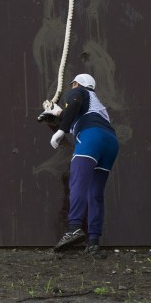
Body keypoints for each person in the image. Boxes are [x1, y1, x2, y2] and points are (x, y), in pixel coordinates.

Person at [46, 74, 119, 254]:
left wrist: (60, 131)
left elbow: (75, 103)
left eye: (73, 84)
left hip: (91, 136)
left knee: (78, 182)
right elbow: (73, 116)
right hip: (110, 142)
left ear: (78, 84)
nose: (72, 87)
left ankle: (74, 228)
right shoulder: (98, 105)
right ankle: (93, 240)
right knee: (95, 192)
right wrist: (56, 114)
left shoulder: (78, 91)